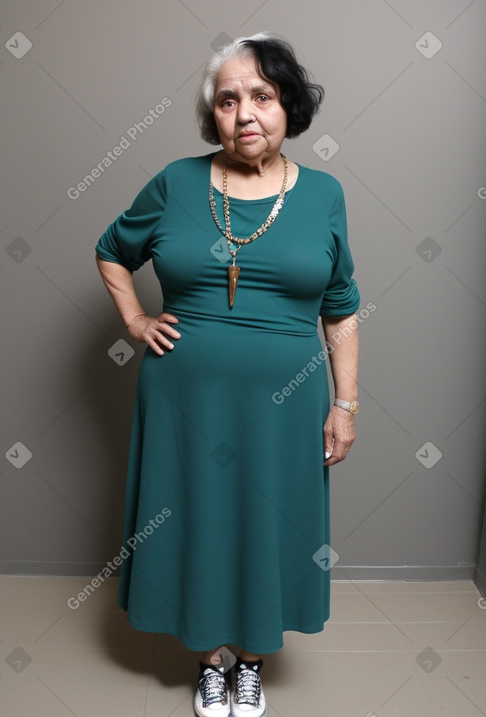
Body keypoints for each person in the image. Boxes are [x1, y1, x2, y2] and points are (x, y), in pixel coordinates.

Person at [95, 32, 359, 717]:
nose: (244, 112)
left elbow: (341, 308)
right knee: (195, 519)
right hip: (185, 397)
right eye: (227, 99)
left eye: (262, 97)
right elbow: (112, 250)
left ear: (287, 106)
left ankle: (251, 660)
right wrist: (133, 322)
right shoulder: (177, 183)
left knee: (266, 522)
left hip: (287, 402)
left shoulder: (324, 194)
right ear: (213, 114)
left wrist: (347, 402)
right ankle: (210, 659)